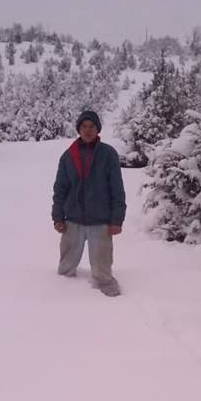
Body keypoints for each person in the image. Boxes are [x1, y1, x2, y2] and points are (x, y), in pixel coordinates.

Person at [51, 109, 126, 297]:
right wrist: (58, 217)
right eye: (84, 126)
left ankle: (115, 307)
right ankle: (60, 299)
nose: (88, 130)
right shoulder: (68, 156)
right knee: (65, 269)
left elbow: (117, 190)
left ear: (98, 129)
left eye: (92, 126)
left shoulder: (108, 154)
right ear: (78, 129)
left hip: (100, 221)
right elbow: (60, 189)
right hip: (73, 221)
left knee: (102, 273)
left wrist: (116, 220)